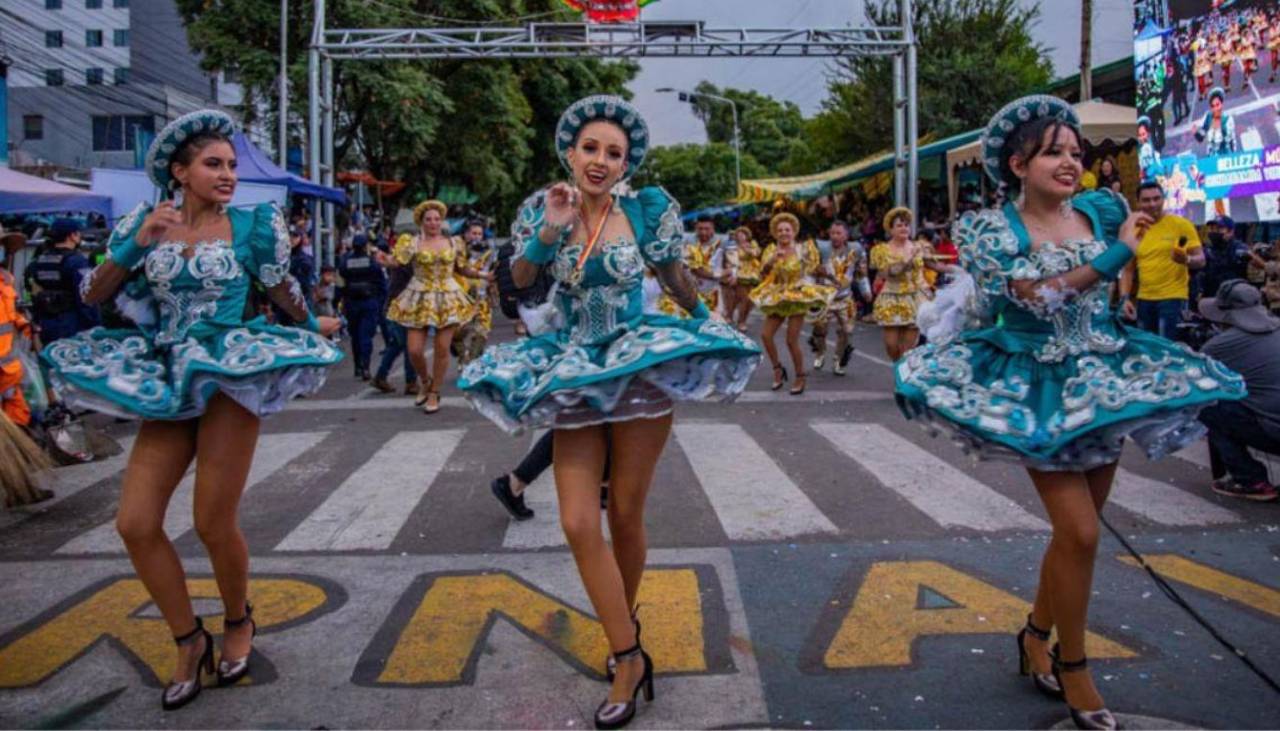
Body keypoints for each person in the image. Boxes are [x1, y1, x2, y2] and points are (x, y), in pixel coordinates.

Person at [895, 95, 1245, 730]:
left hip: (1105, 381)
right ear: (1019, 163)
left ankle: (1035, 635)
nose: (1070, 163)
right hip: (1036, 385)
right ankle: (1075, 664)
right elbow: (1032, 299)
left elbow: (1106, 295)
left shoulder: (1102, 209)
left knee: (1075, 536)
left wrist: (1124, 273)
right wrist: (1115, 257)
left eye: (1076, 153)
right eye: (1054, 152)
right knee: (1082, 533)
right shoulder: (988, 229)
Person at [458, 95, 760, 730]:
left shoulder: (646, 210)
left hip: (638, 367)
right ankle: (629, 648)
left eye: (613, 153)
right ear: (570, 152)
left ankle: (624, 645)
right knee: (575, 520)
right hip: (574, 368)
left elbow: (675, 277)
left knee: (624, 511)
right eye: (590, 149)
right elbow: (519, 278)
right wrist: (549, 227)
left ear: (626, 163)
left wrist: (711, 325)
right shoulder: (550, 208)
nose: (600, 161)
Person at [40, 110, 343, 711]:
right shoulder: (145, 224)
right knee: (134, 522)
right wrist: (135, 241)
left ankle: (237, 619)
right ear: (180, 172)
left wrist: (311, 323)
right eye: (214, 164)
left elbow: (281, 288)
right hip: (169, 373)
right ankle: (187, 638)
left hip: (230, 371)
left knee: (210, 520)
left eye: (231, 164)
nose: (229, 174)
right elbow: (94, 293)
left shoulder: (255, 225)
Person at [382, 200, 489, 414]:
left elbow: (462, 268)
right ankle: (425, 380)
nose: (433, 223)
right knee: (414, 350)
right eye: (429, 219)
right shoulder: (411, 242)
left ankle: (434, 392)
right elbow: (397, 262)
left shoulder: (454, 242)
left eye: (437, 219)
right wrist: (385, 260)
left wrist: (483, 275)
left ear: (442, 221)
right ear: (421, 222)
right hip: (419, 296)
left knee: (442, 348)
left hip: (448, 296)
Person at [1196, 280, 1280, 502]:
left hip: (1273, 431)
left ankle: (1251, 479)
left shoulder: (1222, 344)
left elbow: (1197, 378)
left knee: (1207, 404)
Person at [750, 212, 834, 395]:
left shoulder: (803, 249)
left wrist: (826, 272)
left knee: (791, 339)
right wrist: (772, 261)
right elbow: (762, 275)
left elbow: (814, 268)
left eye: (787, 230)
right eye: (780, 230)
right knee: (765, 335)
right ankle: (777, 369)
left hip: (797, 295)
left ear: (794, 232)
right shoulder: (771, 250)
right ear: (775, 233)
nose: (783, 233)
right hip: (778, 296)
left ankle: (799, 376)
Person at [1119, 181, 1204, 339]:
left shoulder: (1181, 224)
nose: (1152, 204)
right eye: (1146, 200)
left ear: (1163, 199)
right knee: (1147, 350)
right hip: (1144, 299)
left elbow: (1201, 260)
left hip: (1173, 298)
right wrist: (1124, 298)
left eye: (1156, 198)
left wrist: (1186, 259)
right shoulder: (1133, 229)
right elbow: (1128, 269)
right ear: (1138, 202)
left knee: (1170, 350)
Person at [25, 218, 100, 344]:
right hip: (72, 323)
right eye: (78, 233)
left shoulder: (38, 261)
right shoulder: (77, 261)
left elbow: (30, 288)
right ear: (72, 236)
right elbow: (86, 295)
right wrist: (95, 325)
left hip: (46, 323)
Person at [810, 220, 867, 376]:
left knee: (847, 330)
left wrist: (866, 291)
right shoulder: (821, 248)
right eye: (832, 233)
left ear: (846, 235)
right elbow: (809, 270)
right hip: (824, 297)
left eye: (838, 233)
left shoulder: (856, 250)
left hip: (845, 297)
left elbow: (861, 273)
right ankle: (820, 352)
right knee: (820, 328)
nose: (834, 236)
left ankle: (838, 359)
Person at [872, 206, 927, 361]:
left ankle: (901, 379)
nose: (904, 228)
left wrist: (955, 270)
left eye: (906, 225)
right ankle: (898, 369)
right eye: (899, 225)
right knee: (891, 345)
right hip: (892, 298)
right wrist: (908, 261)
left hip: (915, 299)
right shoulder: (881, 250)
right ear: (891, 230)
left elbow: (927, 269)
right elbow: (888, 273)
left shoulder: (918, 247)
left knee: (908, 350)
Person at [338, 233, 388, 381]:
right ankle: (365, 366)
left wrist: (340, 301)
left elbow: (340, 284)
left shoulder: (344, 262)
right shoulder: (372, 263)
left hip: (351, 303)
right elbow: (382, 285)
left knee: (355, 336)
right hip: (369, 302)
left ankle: (358, 366)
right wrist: (381, 303)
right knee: (366, 336)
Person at [457, 220, 497, 365]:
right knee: (457, 334)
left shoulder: (489, 253)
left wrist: (493, 291)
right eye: (474, 233)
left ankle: (472, 364)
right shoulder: (457, 251)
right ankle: (462, 356)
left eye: (480, 234)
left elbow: (494, 274)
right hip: (460, 299)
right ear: (466, 234)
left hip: (482, 299)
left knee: (481, 333)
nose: (477, 237)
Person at [1198, 215, 1252, 306]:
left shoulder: (1239, 248)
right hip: (1211, 299)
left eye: (1219, 229)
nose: (1214, 232)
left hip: (1235, 300)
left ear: (1230, 231)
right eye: (1211, 228)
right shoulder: (1207, 250)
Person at [686, 215, 722, 314]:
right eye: (700, 229)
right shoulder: (688, 243)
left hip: (712, 292)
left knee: (710, 319)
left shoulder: (721, 244)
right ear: (695, 229)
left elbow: (730, 268)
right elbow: (695, 270)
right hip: (690, 290)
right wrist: (718, 275)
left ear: (713, 229)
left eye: (707, 229)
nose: (703, 232)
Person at [730, 226, 762, 331]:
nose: (740, 236)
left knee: (750, 300)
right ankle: (741, 322)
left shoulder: (753, 244)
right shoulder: (733, 247)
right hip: (740, 273)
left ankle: (730, 315)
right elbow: (732, 261)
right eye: (738, 234)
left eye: (743, 234)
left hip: (753, 274)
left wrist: (746, 248)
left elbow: (756, 254)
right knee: (744, 299)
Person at [1194, 87, 1237, 156]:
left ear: (1221, 104)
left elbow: (1232, 141)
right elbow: (1201, 138)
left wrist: (1234, 156)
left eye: (1217, 105)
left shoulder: (1228, 119)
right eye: (1212, 106)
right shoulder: (1208, 117)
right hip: (1212, 157)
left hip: (1226, 156)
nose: (1215, 109)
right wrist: (1195, 132)